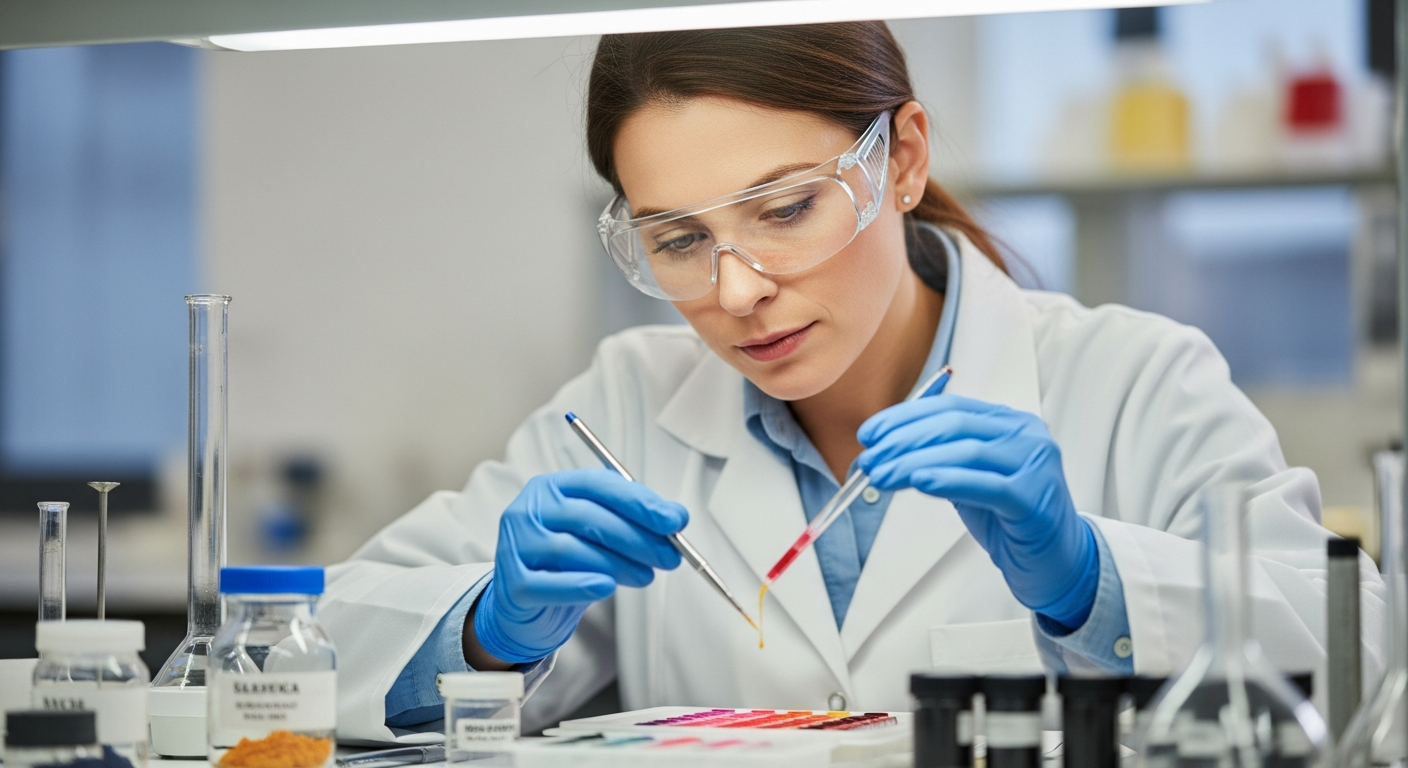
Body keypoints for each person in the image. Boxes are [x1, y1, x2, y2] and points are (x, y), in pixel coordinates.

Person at [322, 22, 1385, 741]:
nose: (736, 289)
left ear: (903, 159)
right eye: (679, 237)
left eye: (785, 209)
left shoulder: (1135, 379)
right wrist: (486, 629)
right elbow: (319, 648)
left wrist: (1088, 579)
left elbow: (1362, 666)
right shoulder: (622, 405)